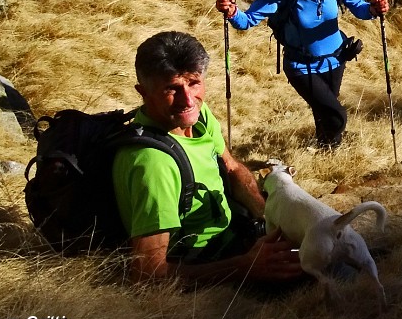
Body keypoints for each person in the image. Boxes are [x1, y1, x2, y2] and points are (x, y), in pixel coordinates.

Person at [113, 30, 303, 284]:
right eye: (172, 88)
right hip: (204, 261)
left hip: (235, 233)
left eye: (194, 82)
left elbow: (232, 167)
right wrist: (247, 266)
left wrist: (270, 217)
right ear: (143, 92)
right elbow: (148, 273)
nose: (188, 99)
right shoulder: (153, 164)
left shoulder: (199, 116)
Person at [215, 0, 389, 149]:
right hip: (301, 66)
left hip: (336, 60)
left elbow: (360, 8)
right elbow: (247, 20)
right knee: (336, 115)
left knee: (323, 114)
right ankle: (330, 150)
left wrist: (374, 8)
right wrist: (231, 11)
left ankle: (326, 157)